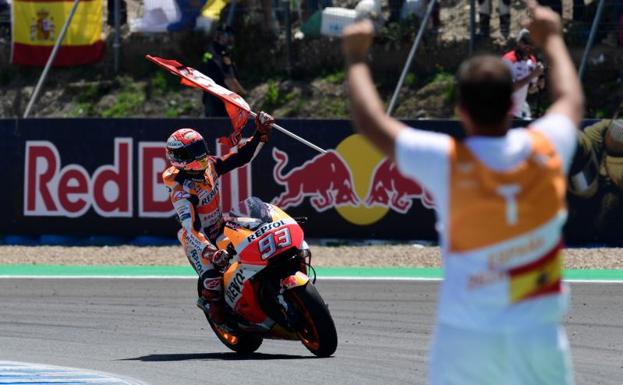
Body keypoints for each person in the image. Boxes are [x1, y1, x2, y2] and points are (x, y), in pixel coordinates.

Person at [341, 0, 583, 383]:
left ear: (460, 110)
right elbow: (571, 100)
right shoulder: (546, 149)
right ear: (510, 105)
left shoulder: (448, 162)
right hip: (539, 340)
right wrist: (552, 36)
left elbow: (371, 124)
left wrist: (355, 58)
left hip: (466, 343)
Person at [163, 112, 274, 326]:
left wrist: (259, 132)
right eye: (193, 151)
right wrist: (210, 252)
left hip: (221, 225)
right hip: (198, 240)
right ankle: (215, 311)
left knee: (259, 239)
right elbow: (191, 229)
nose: (201, 154)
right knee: (213, 280)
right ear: (179, 158)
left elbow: (240, 157)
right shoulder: (182, 191)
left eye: (200, 147)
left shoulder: (210, 166)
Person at [199, 24, 247, 118]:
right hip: (222, 105)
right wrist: (244, 95)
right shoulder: (220, 55)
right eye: (228, 36)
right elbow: (230, 81)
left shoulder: (209, 52)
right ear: (220, 36)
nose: (231, 39)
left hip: (210, 101)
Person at [503, 28, 545, 120]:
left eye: (531, 44)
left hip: (519, 111)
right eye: (525, 43)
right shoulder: (508, 60)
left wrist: (538, 84)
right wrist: (533, 75)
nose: (528, 47)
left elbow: (530, 90)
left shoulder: (532, 60)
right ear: (518, 42)